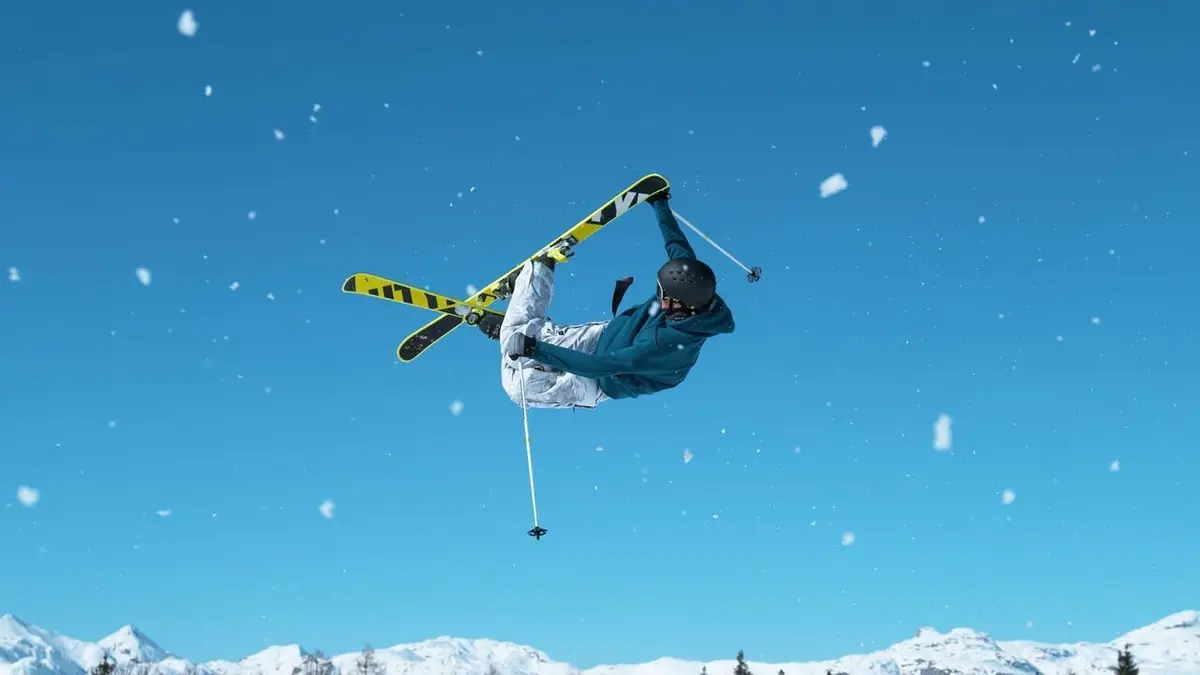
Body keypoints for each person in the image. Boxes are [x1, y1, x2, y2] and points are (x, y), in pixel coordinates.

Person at [475, 189, 735, 409]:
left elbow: (599, 365)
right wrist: (659, 203)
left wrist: (535, 349)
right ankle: (539, 272)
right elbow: (676, 245)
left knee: (519, 387)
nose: (660, 299)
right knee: (515, 337)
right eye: (660, 290)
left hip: (599, 380)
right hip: (602, 336)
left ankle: (521, 332)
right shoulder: (690, 281)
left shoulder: (663, 346)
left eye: (666, 297)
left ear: (685, 306)